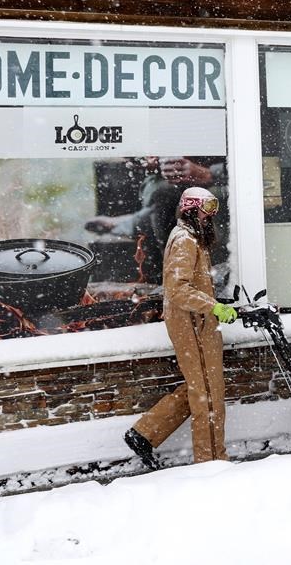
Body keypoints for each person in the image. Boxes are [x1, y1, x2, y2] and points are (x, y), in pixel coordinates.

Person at [123, 187, 237, 468]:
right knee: (208, 395)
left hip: (196, 322)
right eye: (206, 210)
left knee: (200, 388)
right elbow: (178, 289)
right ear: (191, 209)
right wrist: (213, 307)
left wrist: (215, 304)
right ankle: (212, 463)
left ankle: (145, 432)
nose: (210, 217)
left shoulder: (191, 238)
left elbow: (190, 284)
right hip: (192, 324)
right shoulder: (185, 239)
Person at [86, 156, 227, 286]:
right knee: (163, 194)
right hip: (183, 186)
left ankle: (131, 223)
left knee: (174, 203)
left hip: (229, 184)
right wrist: (158, 161)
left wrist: (211, 173)